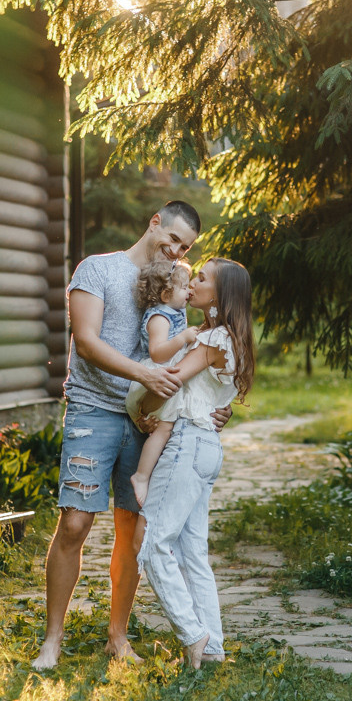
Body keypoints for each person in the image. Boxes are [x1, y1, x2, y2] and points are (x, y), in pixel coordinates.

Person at [32, 201, 231, 670]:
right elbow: (87, 341)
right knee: (76, 524)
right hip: (93, 410)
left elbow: (193, 363)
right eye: (174, 238)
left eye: (186, 247)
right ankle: (52, 639)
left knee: (133, 533)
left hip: (147, 420)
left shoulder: (176, 292)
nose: (177, 250)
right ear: (154, 221)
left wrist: (210, 409)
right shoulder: (97, 270)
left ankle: (117, 636)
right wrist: (143, 374)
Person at [133, 258, 255, 669]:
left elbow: (169, 378)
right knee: (192, 553)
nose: (195, 282)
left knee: (150, 543)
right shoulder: (223, 336)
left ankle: (193, 634)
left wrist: (137, 410)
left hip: (187, 443)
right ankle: (214, 649)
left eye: (202, 278)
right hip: (207, 448)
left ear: (220, 295)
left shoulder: (214, 338)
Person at [125, 258, 200, 506]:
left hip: (165, 375)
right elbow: (157, 353)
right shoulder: (159, 318)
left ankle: (150, 477)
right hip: (156, 376)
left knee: (164, 429)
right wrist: (183, 338)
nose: (189, 291)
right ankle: (141, 476)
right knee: (163, 429)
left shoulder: (173, 310)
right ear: (167, 294)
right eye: (184, 287)